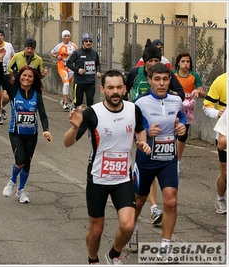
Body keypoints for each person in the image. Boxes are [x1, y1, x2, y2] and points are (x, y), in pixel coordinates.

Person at [63, 70, 151, 264]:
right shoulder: (92, 113)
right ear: (102, 89)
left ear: (125, 89)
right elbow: (67, 143)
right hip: (98, 179)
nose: (115, 91)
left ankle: (113, 254)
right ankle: (93, 259)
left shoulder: (133, 109)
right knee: (96, 231)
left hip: (123, 178)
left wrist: (142, 142)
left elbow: (140, 131)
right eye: (110, 87)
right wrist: (75, 127)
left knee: (128, 225)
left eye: (119, 87)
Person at [125, 39, 184, 236]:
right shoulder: (140, 103)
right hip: (146, 159)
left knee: (171, 201)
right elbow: (132, 128)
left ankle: (166, 246)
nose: (161, 83)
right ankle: (132, 230)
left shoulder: (176, 100)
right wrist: (145, 132)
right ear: (149, 79)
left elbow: (181, 117)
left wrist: (181, 127)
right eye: (157, 79)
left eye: (165, 79)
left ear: (170, 80)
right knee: (139, 200)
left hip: (168, 159)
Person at [0, 47, 52, 204]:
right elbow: (2, 79)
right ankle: (12, 181)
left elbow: (42, 114)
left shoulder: (37, 94)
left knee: (27, 163)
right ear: (19, 77)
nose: (26, 78)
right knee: (20, 160)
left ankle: (21, 190)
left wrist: (46, 130)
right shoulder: (14, 90)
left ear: (34, 79)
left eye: (30, 76)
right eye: (24, 75)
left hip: (32, 134)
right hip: (16, 132)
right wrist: (0, 61)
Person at [173, 52, 205, 173]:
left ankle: (177, 161)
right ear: (178, 63)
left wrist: (197, 91)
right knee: (171, 133)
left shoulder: (194, 76)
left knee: (183, 134)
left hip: (187, 108)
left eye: (188, 62)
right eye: (183, 61)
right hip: (174, 106)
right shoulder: (173, 75)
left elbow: (203, 93)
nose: (185, 64)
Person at [203, 72, 227, 214]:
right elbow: (206, 106)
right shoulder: (221, 80)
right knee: (225, 172)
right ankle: (220, 198)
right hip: (224, 132)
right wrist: (217, 113)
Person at [66, 33, 101, 110]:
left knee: (90, 101)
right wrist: (77, 70)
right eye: (86, 41)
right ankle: (74, 108)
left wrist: (98, 71)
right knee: (78, 101)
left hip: (90, 82)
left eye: (90, 41)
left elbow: (98, 64)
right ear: (83, 42)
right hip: (80, 81)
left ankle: (88, 118)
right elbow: (68, 63)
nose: (88, 43)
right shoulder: (77, 53)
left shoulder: (94, 53)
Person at [51, 30, 78, 110]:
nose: (67, 38)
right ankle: (66, 103)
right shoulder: (59, 46)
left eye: (68, 36)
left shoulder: (73, 46)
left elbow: (79, 53)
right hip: (62, 67)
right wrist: (57, 56)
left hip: (71, 68)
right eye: (65, 36)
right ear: (62, 37)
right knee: (66, 84)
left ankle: (62, 100)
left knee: (68, 84)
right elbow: (52, 53)